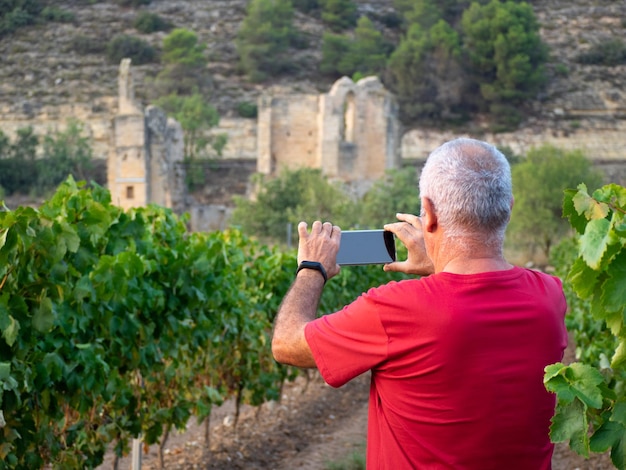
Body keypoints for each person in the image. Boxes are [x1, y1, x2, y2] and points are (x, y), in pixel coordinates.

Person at [271, 137, 568, 469]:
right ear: (509, 208)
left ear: (427, 215)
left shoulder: (396, 310)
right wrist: (440, 263)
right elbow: (479, 289)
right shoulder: (550, 296)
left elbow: (287, 344)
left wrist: (312, 268)